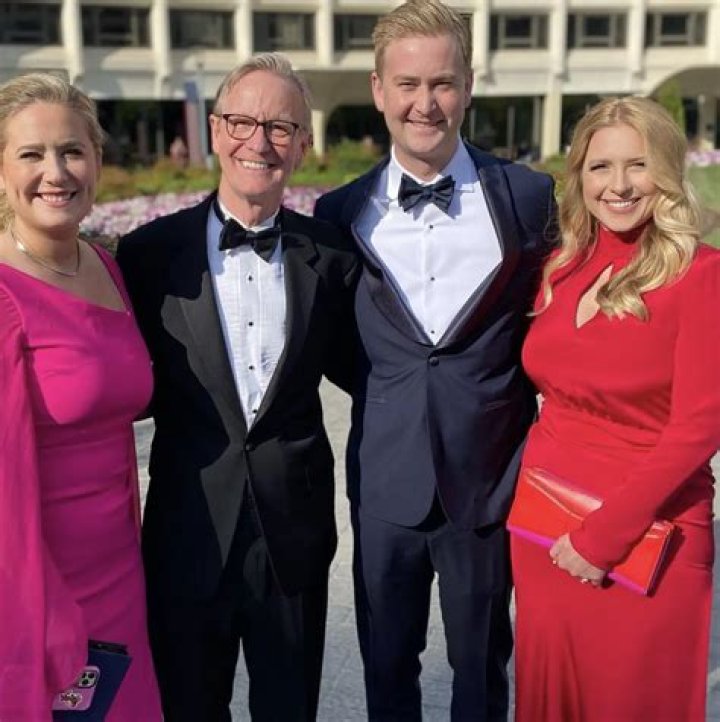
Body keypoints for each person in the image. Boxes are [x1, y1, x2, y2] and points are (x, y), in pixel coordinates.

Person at [314, 2, 556, 719]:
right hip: (385, 480)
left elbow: (545, 323)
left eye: (443, 83)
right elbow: (337, 344)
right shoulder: (339, 213)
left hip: (487, 482)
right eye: (409, 84)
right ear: (379, 89)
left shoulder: (529, 197)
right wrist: (395, 395)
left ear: (469, 85)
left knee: (483, 669)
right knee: (387, 667)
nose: (426, 103)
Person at [116, 53, 359, 722]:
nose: (261, 141)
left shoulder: (333, 257)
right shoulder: (148, 256)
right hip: (187, 531)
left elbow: (375, 372)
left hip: (294, 535)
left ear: (303, 145)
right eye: (244, 122)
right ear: (217, 130)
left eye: (281, 127)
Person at [510, 96, 719, 721]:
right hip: (546, 531)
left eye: (638, 165)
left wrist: (601, 539)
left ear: (667, 173)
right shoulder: (563, 268)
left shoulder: (702, 274)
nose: (619, 185)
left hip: (646, 540)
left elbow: (699, 428)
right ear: (579, 175)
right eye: (601, 166)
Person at [0, 73, 162, 720]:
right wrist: (40, 614)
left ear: (96, 160)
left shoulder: (107, 268)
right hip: (39, 594)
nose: (56, 172)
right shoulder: (4, 296)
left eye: (72, 151)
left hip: (123, 574)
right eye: (31, 154)